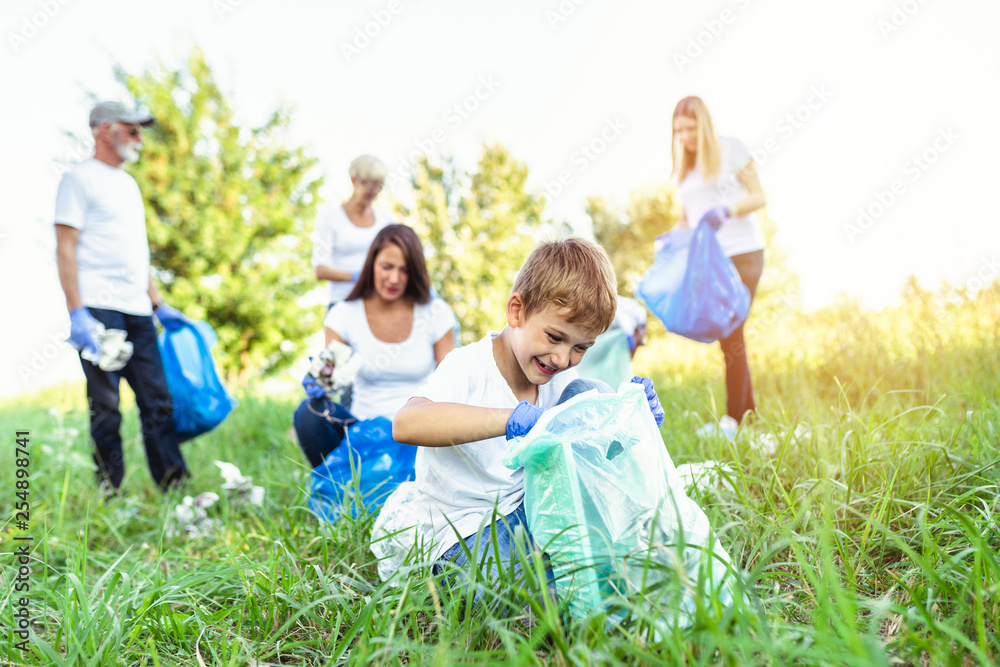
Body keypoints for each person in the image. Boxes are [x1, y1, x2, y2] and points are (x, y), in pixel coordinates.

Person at [370, 238, 665, 603]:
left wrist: (631, 422)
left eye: (580, 347)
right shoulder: (468, 366)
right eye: (555, 337)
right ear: (516, 311)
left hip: (535, 514)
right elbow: (407, 424)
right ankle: (546, 599)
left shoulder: (561, 380)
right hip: (465, 528)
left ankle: (582, 583)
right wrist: (509, 418)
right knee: (500, 595)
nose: (562, 358)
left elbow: (590, 457)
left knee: (590, 392)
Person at [54, 101, 190, 493]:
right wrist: (77, 311)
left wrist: (158, 303)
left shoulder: (129, 185)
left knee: (157, 401)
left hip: (137, 309)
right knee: (107, 407)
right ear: (104, 130)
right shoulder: (78, 180)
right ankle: (109, 490)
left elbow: (136, 254)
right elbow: (65, 249)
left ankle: (174, 487)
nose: (139, 138)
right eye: (132, 130)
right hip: (98, 309)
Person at [293, 224, 457, 469]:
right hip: (362, 430)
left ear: (415, 273)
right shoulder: (345, 314)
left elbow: (453, 382)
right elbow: (330, 375)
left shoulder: (435, 312)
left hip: (420, 432)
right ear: (371, 264)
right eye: (387, 267)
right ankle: (335, 486)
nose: (394, 278)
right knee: (308, 413)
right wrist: (321, 382)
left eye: (404, 270)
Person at [671, 96, 767, 428]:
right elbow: (687, 220)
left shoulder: (732, 149)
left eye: (690, 127)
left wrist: (727, 210)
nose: (685, 136)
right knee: (729, 337)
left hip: (743, 253)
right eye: (679, 130)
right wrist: (669, 241)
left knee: (732, 331)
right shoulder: (685, 171)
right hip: (711, 262)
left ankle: (734, 418)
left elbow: (759, 195)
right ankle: (748, 420)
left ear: (704, 122)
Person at [311, 155, 396, 312]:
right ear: (354, 180)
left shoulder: (387, 219)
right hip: (343, 303)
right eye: (370, 185)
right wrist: (357, 277)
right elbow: (320, 270)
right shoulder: (329, 218)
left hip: (378, 304)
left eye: (379, 187)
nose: (375, 192)